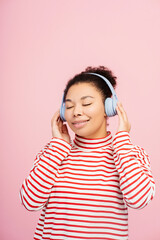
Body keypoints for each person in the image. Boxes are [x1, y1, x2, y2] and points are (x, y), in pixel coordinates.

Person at [20, 66, 155, 240]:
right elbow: (30, 202)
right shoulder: (52, 154)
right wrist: (58, 147)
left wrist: (122, 140)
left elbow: (139, 200)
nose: (76, 112)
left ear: (109, 107)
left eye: (87, 103)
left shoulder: (131, 154)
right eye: (69, 106)